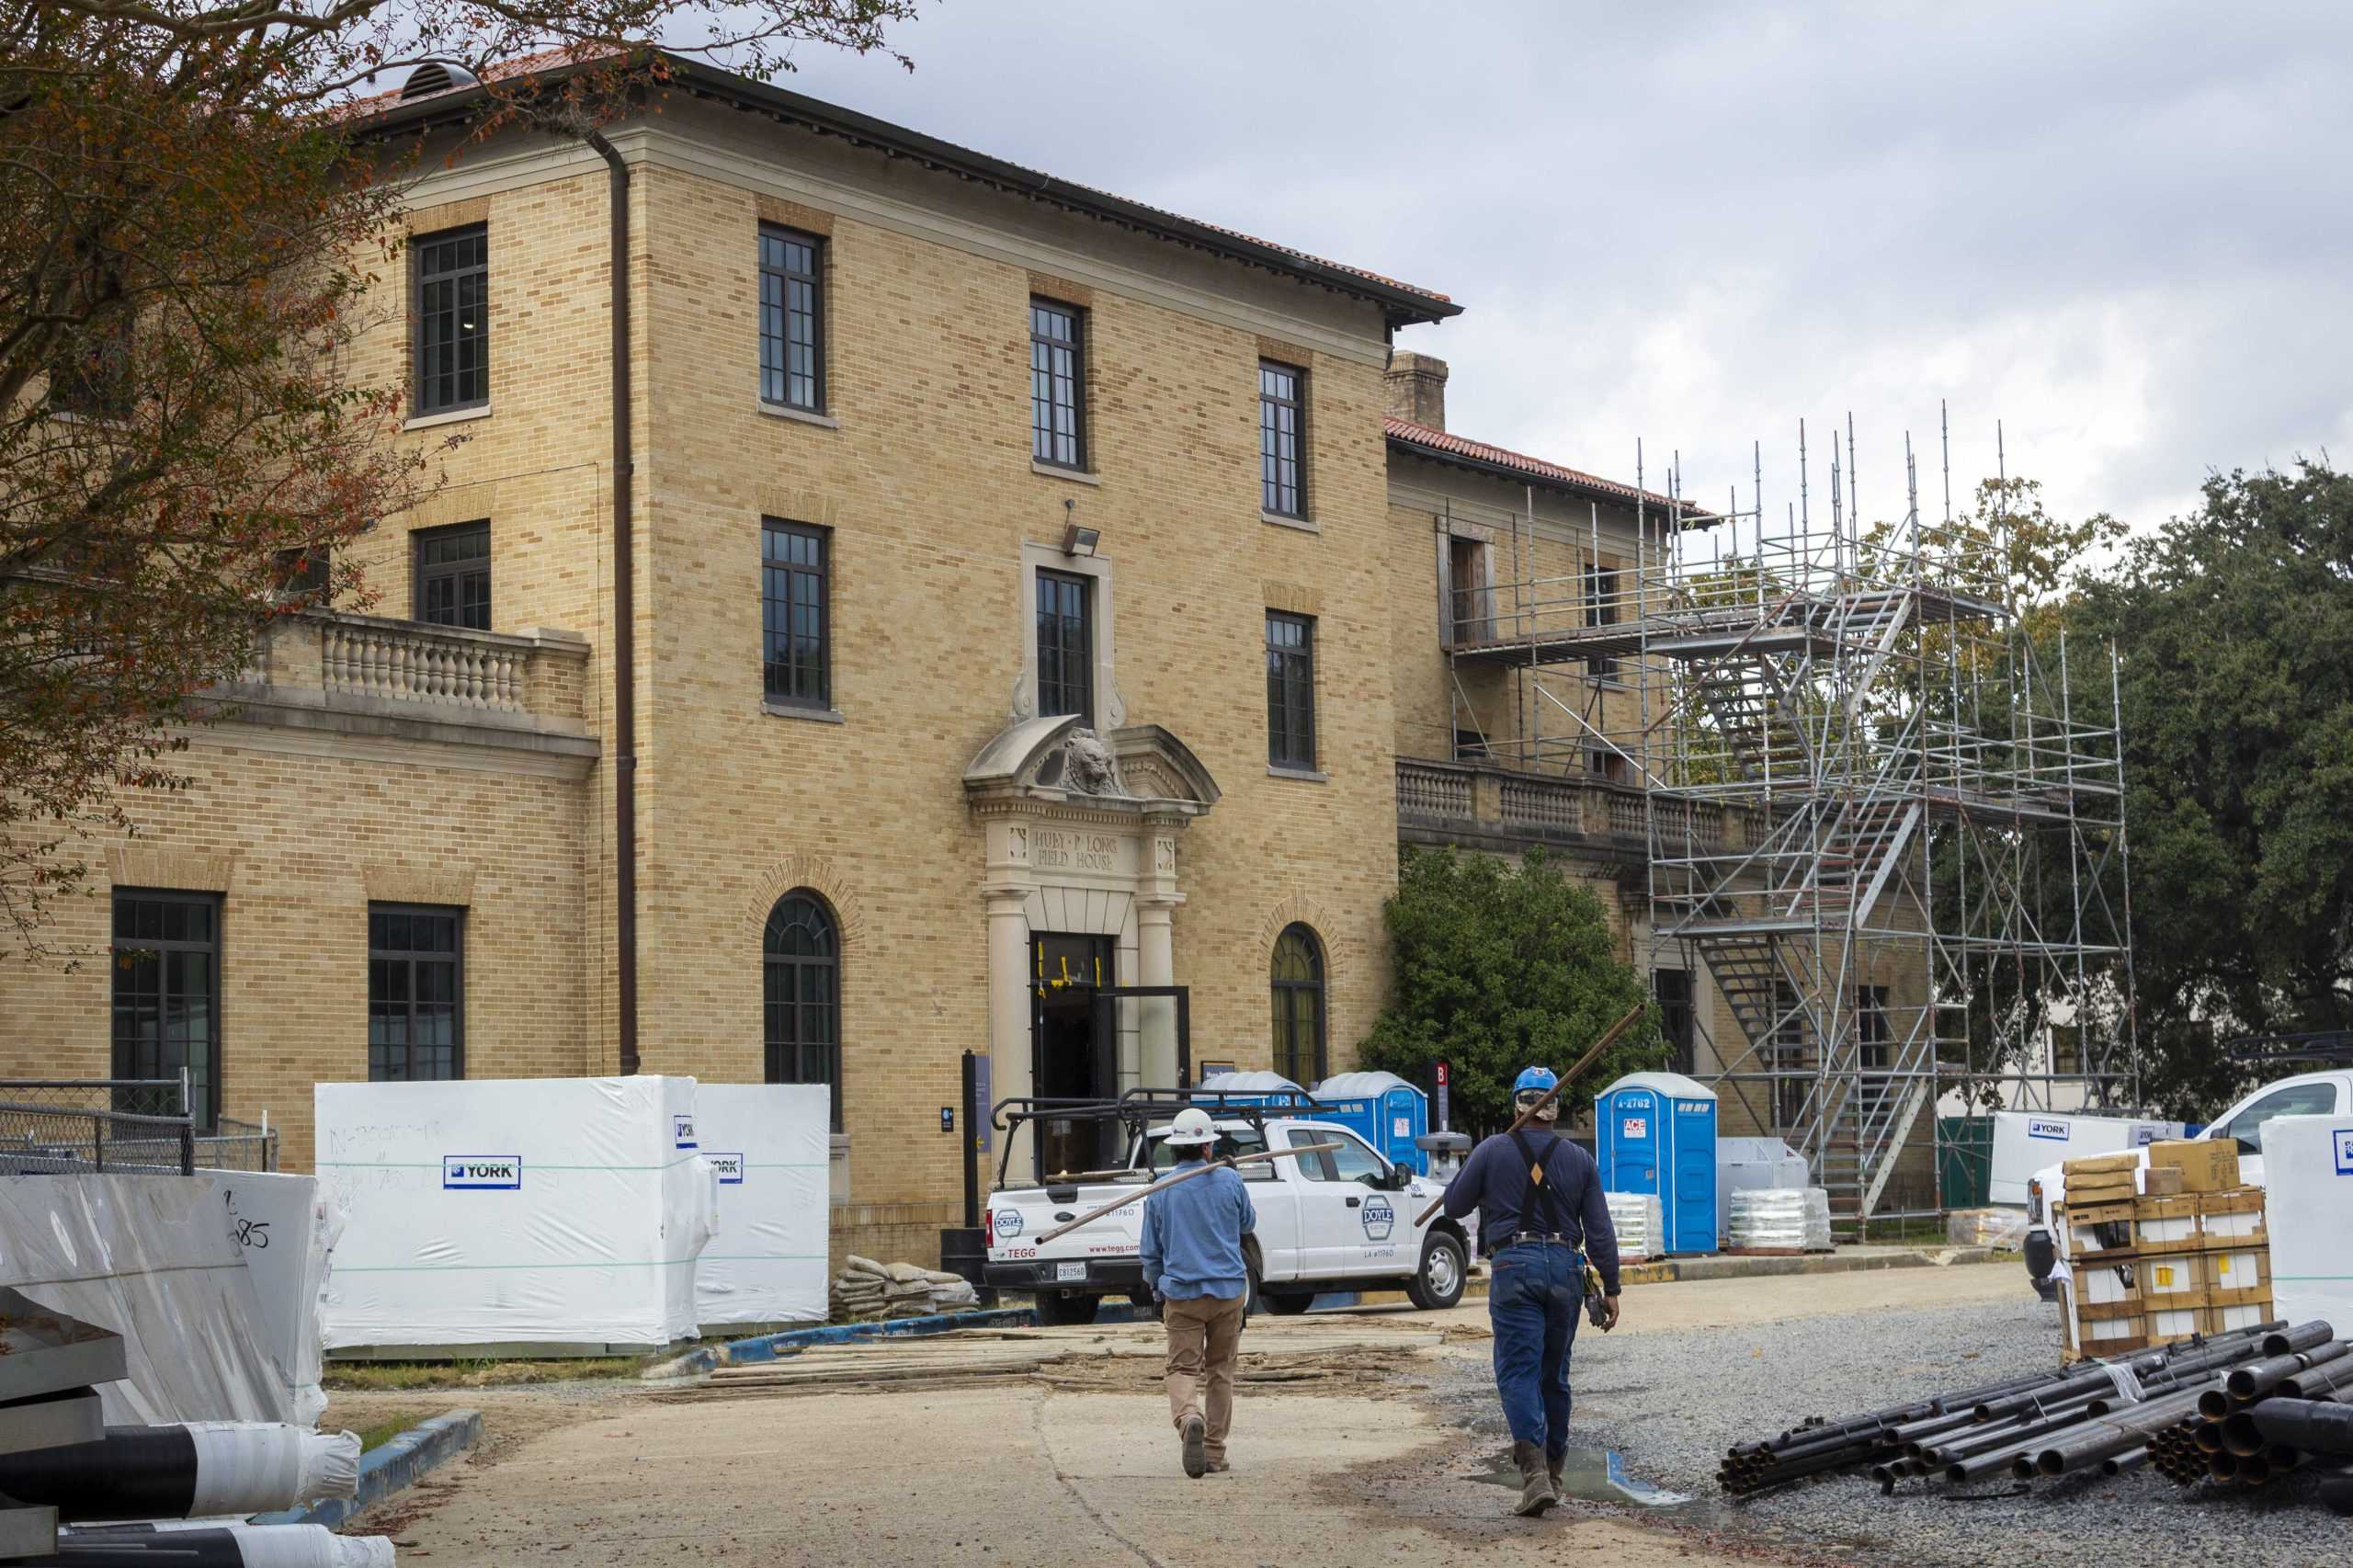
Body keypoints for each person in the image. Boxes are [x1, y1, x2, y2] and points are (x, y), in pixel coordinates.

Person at [1441, 1064, 1622, 1517]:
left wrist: (1484, 1169)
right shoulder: (1579, 1159)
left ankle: (1536, 1475)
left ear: (1518, 1103)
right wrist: (1612, 1286)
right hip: (1565, 1269)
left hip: (1513, 1266)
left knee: (1518, 1372)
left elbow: (1454, 1205)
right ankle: (1554, 1474)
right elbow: (1599, 1230)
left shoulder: (1492, 1150)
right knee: (1553, 1376)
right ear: (1554, 1107)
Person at [1138, 1106, 1257, 1479]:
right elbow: (1247, 1223)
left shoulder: (1161, 1191)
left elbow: (1151, 1252)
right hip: (1227, 1291)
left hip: (1183, 1293)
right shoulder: (1228, 1181)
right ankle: (1214, 1452)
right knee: (1221, 1370)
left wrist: (1157, 1289)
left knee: (1182, 1367)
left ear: (1174, 1150)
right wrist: (1233, 1178)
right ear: (1207, 1148)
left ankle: (1189, 1417)